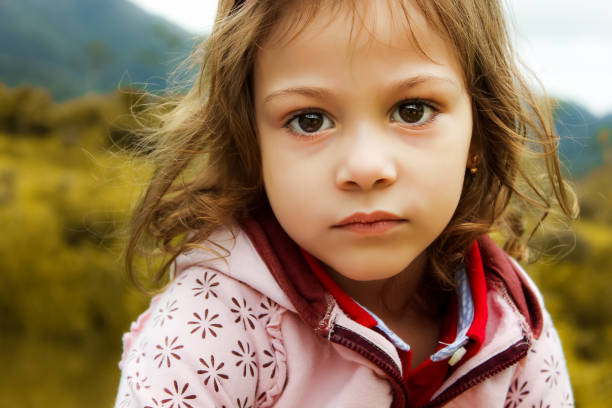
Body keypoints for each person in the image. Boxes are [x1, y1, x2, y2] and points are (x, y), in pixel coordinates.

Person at [114, 0, 577, 407]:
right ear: (250, 142)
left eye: (412, 110)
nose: (365, 167)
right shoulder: (210, 329)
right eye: (310, 120)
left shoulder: (513, 329)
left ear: (477, 132)